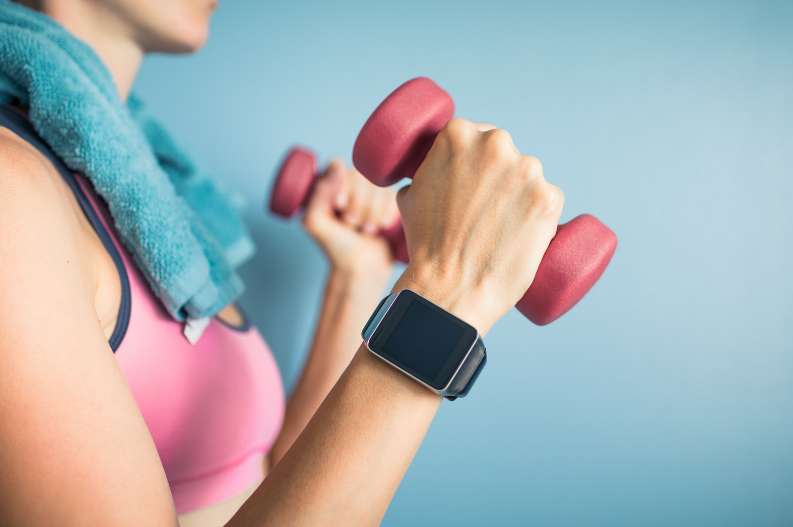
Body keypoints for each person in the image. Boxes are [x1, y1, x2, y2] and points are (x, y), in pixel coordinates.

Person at [0, 1, 564, 526]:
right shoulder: (11, 193)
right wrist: (446, 293)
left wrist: (358, 275)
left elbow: (263, 489)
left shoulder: (151, 197)